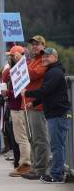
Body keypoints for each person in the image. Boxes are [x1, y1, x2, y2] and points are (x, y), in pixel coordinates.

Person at [21, 48, 72, 183]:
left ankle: (56, 175)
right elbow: (48, 93)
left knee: (56, 146)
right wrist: (35, 102)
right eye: (43, 57)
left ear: (55, 57)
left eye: (48, 56)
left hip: (58, 113)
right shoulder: (51, 71)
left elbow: (46, 90)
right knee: (57, 145)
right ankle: (57, 172)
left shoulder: (54, 72)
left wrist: (28, 94)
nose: (44, 59)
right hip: (55, 113)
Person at [20, 35, 50, 180]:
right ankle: (35, 167)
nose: (34, 47)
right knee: (32, 138)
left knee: (40, 138)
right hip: (28, 104)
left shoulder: (43, 60)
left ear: (43, 46)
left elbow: (32, 74)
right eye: (33, 44)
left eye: (37, 44)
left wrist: (22, 65)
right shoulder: (31, 61)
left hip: (37, 105)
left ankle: (41, 169)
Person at [2, 46, 31, 177]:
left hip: (19, 107)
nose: (10, 58)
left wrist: (7, 92)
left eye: (12, 56)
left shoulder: (21, 69)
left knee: (22, 138)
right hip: (16, 106)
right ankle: (24, 163)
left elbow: (20, 91)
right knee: (20, 138)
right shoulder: (17, 69)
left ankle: (25, 164)